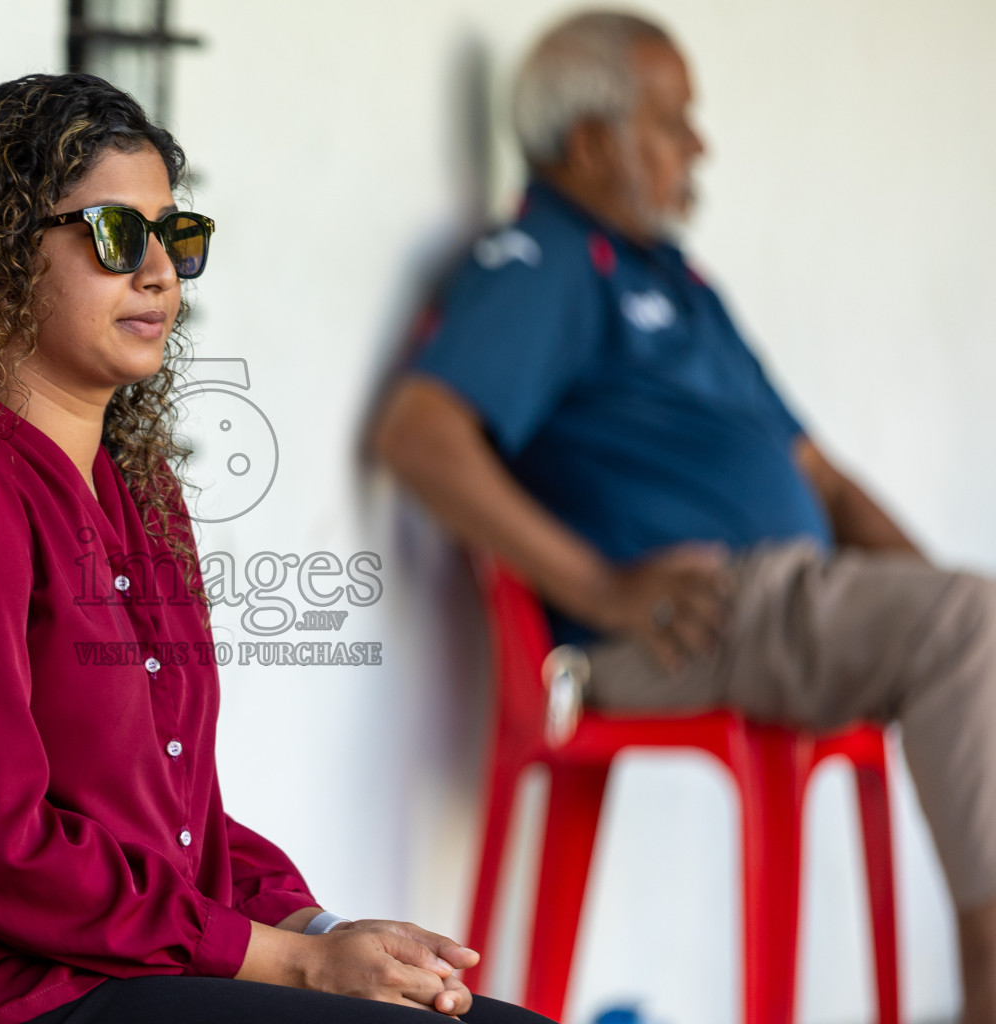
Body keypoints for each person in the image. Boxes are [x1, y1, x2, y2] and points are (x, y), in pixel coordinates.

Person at [0, 74, 550, 1024]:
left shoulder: (134, 492)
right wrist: (296, 966)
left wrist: (321, 927)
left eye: (173, 237)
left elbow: (175, 822)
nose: (160, 274)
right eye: (114, 236)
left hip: (114, 964)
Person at [372, 10, 996, 1021]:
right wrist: (602, 586)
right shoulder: (548, 263)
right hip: (685, 619)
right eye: (671, 122)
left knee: (970, 616)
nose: (697, 147)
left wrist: (932, 601)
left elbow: (822, 480)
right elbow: (419, 431)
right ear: (586, 140)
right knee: (968, 619)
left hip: (788, 602)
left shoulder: (681, 284)